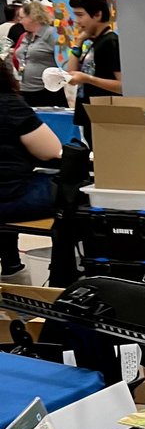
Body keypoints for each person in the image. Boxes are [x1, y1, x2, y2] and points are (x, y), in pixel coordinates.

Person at [0, 56, 63, 279]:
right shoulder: (10, 105)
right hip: (11, 199)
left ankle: (10, 262)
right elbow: (51, 150)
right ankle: (62, 273)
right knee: (72, 191)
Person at [65, 0, 122, 144]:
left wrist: (88, 79)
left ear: (97, 14)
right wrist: (78, 43)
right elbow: (70, 74)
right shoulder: (94, 42)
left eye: (80, 15)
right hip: (90, 115)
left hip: (106, 117)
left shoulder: (110, 42)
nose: (77, 21)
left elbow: (122, 86)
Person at [17, 2, 67, 108]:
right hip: (25, 89)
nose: (20, 21)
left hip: (46, 91)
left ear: (32, 17)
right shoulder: (26, 36)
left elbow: (64, 59)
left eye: (22, 18)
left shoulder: (51, 34)